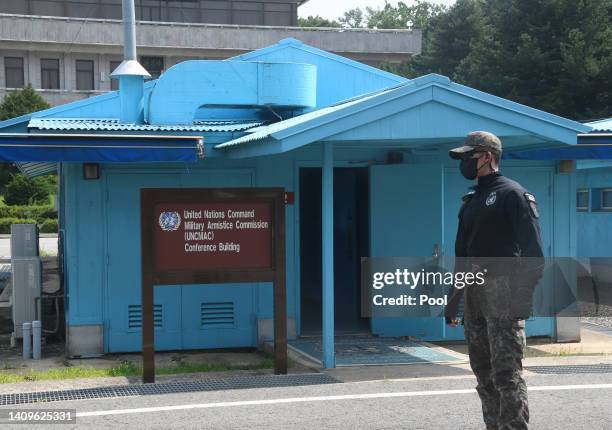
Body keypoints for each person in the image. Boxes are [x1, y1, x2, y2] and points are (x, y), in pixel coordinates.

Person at [445, 131, 545, 430]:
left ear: (488, 157)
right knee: (483, 374)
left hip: (504, 292)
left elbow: (533, 254)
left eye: (469, 157)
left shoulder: (512, 194)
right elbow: (461, 255)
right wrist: (453, 302)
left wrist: (521, 300)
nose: (464, 162)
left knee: (506, 375)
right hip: (475, 293)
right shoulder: (470, 200)